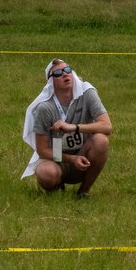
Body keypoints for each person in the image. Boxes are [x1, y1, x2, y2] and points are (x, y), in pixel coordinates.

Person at [21, 58, 113, 198]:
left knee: (102, 141)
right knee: (46, 173)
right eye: (58, 73)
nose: (65, 74)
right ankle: (57, 188)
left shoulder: (87, 93)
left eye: (67, 70)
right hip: (56, 158)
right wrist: (72, 159)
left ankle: (83, 192)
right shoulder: (45, 108)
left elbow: (107, 126)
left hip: (84, 156)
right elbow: (42, 150)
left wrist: (74, 128)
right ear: (51, 82)